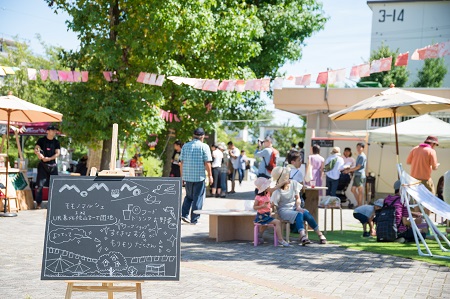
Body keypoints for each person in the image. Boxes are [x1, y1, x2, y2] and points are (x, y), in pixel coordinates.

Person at [270, 166, 327, 245]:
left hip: (294, 208)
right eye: (287, 174)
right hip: (284, 211)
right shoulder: (277, 191)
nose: (289, 175)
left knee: (305, 213)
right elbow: (273, 204)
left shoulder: (293, 183)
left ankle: (320, 234)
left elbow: (298, 198)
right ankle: (303, 236)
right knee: (299, 213)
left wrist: (298, 206)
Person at [179, 128, 213, 225]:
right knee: (198, 198)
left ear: (193, 135)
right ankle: (194, 219)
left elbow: (181, 163)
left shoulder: (185, 146)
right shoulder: (204, 147)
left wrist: (182, 176)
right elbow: (207, 163)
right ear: (202, 136)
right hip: (199, 177)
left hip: (188, 176)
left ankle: (184, 214)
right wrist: (210, 175)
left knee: (189, 197)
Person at [253, 177, 290, 247]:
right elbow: (254, 207)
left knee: (266, 225)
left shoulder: (267, 193)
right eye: (268, 186)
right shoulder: (258, 197)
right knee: (277, 222)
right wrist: (262, 206)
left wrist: (284, 182)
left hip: (267, 215)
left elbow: (276, 187)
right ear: (263, 188)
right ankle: (280, 239)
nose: (269, 187)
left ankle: (259, 235)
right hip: (262, 216)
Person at [34, 125, 61, 209]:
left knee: (54, 185)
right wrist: (39, 154)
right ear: (48, 131)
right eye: (52, 130)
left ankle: (54, 203)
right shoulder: (41, 140)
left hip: (53, 165)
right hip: (43, 165)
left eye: (55, 130)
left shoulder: (56, 142)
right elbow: (36, 148)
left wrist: (49, 158)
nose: (54, 132)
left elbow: (57, 153)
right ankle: (38, 203)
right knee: (40, 185)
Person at [343, 142, 366, 207]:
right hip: (357, 174)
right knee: (353, 190)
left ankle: (360, 205)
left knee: (360, 190)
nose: (358, 149)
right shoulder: (359, 155)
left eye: (360, 147)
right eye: (357, 147)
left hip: (360, 174)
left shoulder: (362, 156)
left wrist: (349, 170)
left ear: (363, 148)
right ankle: (359, 204)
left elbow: (358, 166)